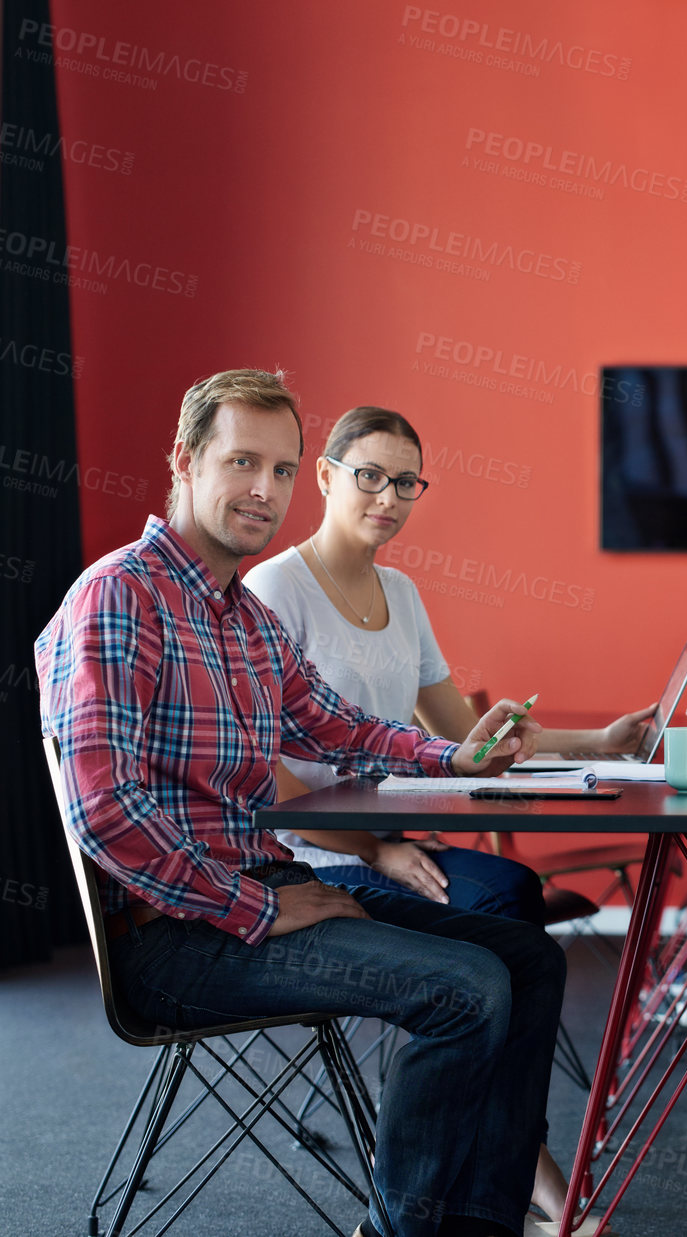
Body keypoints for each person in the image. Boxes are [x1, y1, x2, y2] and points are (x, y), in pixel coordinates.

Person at [37, 369, 567, 1237]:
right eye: (243, 462)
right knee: (467, 987)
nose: (265, 490)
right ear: (184, 459)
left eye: (282, 469)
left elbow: (338, 725)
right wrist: (254, 907)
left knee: (527, 960)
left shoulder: (244, 619)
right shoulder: (118, 596)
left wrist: (458, 753)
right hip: (177, 938)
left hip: (265, 896)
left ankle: (477, 1219)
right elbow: (106, 811)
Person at [243, 404, 650, 1227]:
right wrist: (378, 847)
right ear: (323, 475)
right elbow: (267, 775)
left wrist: (593, 739)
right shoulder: (273, 587)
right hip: (317, 854)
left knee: (509, 899)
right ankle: (521, 1184)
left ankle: (506, 1186)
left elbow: (465, 739)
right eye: (369, 475)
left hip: (394, 842)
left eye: (405, 482)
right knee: (505, 905)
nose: (387, 496)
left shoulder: (401, 589)